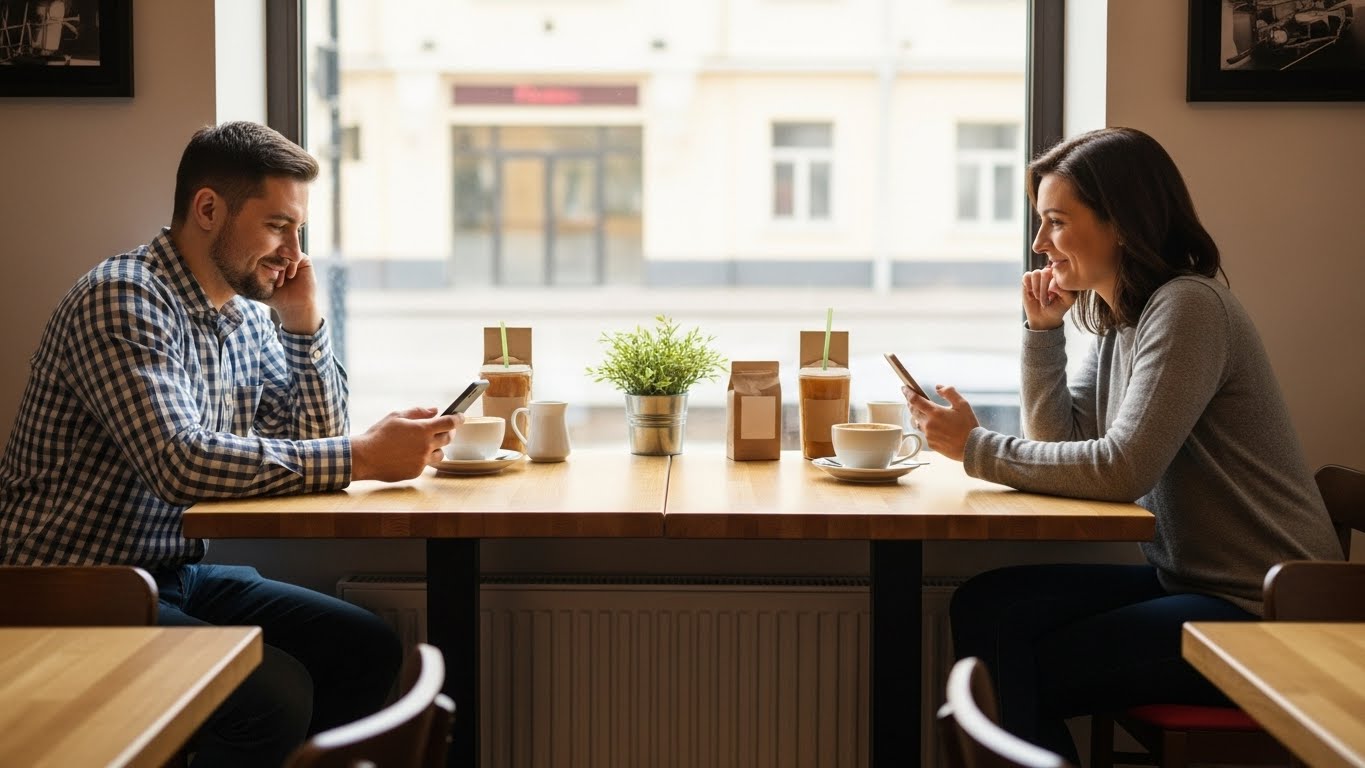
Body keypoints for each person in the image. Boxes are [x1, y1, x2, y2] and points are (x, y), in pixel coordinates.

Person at [0, 121, 463, 767]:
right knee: (272, 694)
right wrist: (362, 455)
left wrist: (304, 326)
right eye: (278, 226)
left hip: (171, 573)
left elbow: (312, 439)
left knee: (362, 645)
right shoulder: (123, 299)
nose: (293, 251)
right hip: (66, 587)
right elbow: (179, 464)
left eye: (298, 230)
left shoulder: (243, 314)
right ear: (209, 209)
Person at [900, 127, 1341, 761]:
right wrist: (1043, 331)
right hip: (1188, 582)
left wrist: (974, 447)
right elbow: (1066, 444)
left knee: (1017, 670)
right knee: (989, 607)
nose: (1039, 243)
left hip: (1265, 610)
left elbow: (1120, 470)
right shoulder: (1122, 318)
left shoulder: (1188, 307)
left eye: (1056, 221)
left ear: (1123, 224)